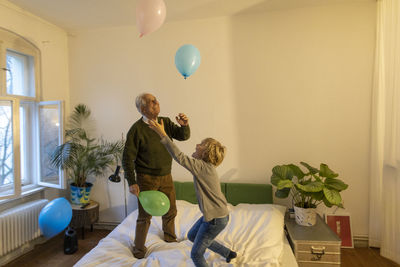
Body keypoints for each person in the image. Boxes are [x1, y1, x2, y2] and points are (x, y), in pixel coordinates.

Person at [149, 119, 237, 267]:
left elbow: (179, 157)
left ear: (205, 153)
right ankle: (229, 254)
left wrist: (161, 133)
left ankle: (227, 254)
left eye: (201, 145)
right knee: (191, 235)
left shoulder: (202, 167)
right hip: (216, 216)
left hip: (215, 219)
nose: (197, 145)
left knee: (196, 254)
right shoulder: (205, 167)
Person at [122, 93, 190, 259]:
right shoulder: (136, 129)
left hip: (166, 175)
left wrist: (184, 125)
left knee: (171, 210)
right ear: (143, 109)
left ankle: (169, 237)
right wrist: (132, 181)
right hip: (146, 179)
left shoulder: (165, 122)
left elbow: (184, 136)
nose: (157, 103)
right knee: (145, 216)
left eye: (156, 100)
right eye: (152, 102)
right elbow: (127, 158)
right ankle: (138, 250)